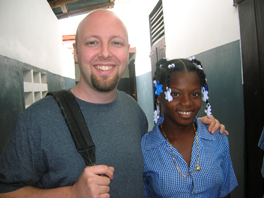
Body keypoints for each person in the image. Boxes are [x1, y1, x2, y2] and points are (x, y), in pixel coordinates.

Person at [0, 10, 226, 198]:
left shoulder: (134, 111)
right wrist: (70, 193)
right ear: (76, 53)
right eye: (92, 42)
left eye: (115, 43)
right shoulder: (36, 120)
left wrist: (196, 126)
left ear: (126, 53)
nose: (105, 53)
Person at [142, 58, 238, 197]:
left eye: (195, 94)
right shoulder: (145, 149)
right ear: (159, 96)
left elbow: (224, 193)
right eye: (175, 94)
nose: (187, 102)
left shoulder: (217, 138)